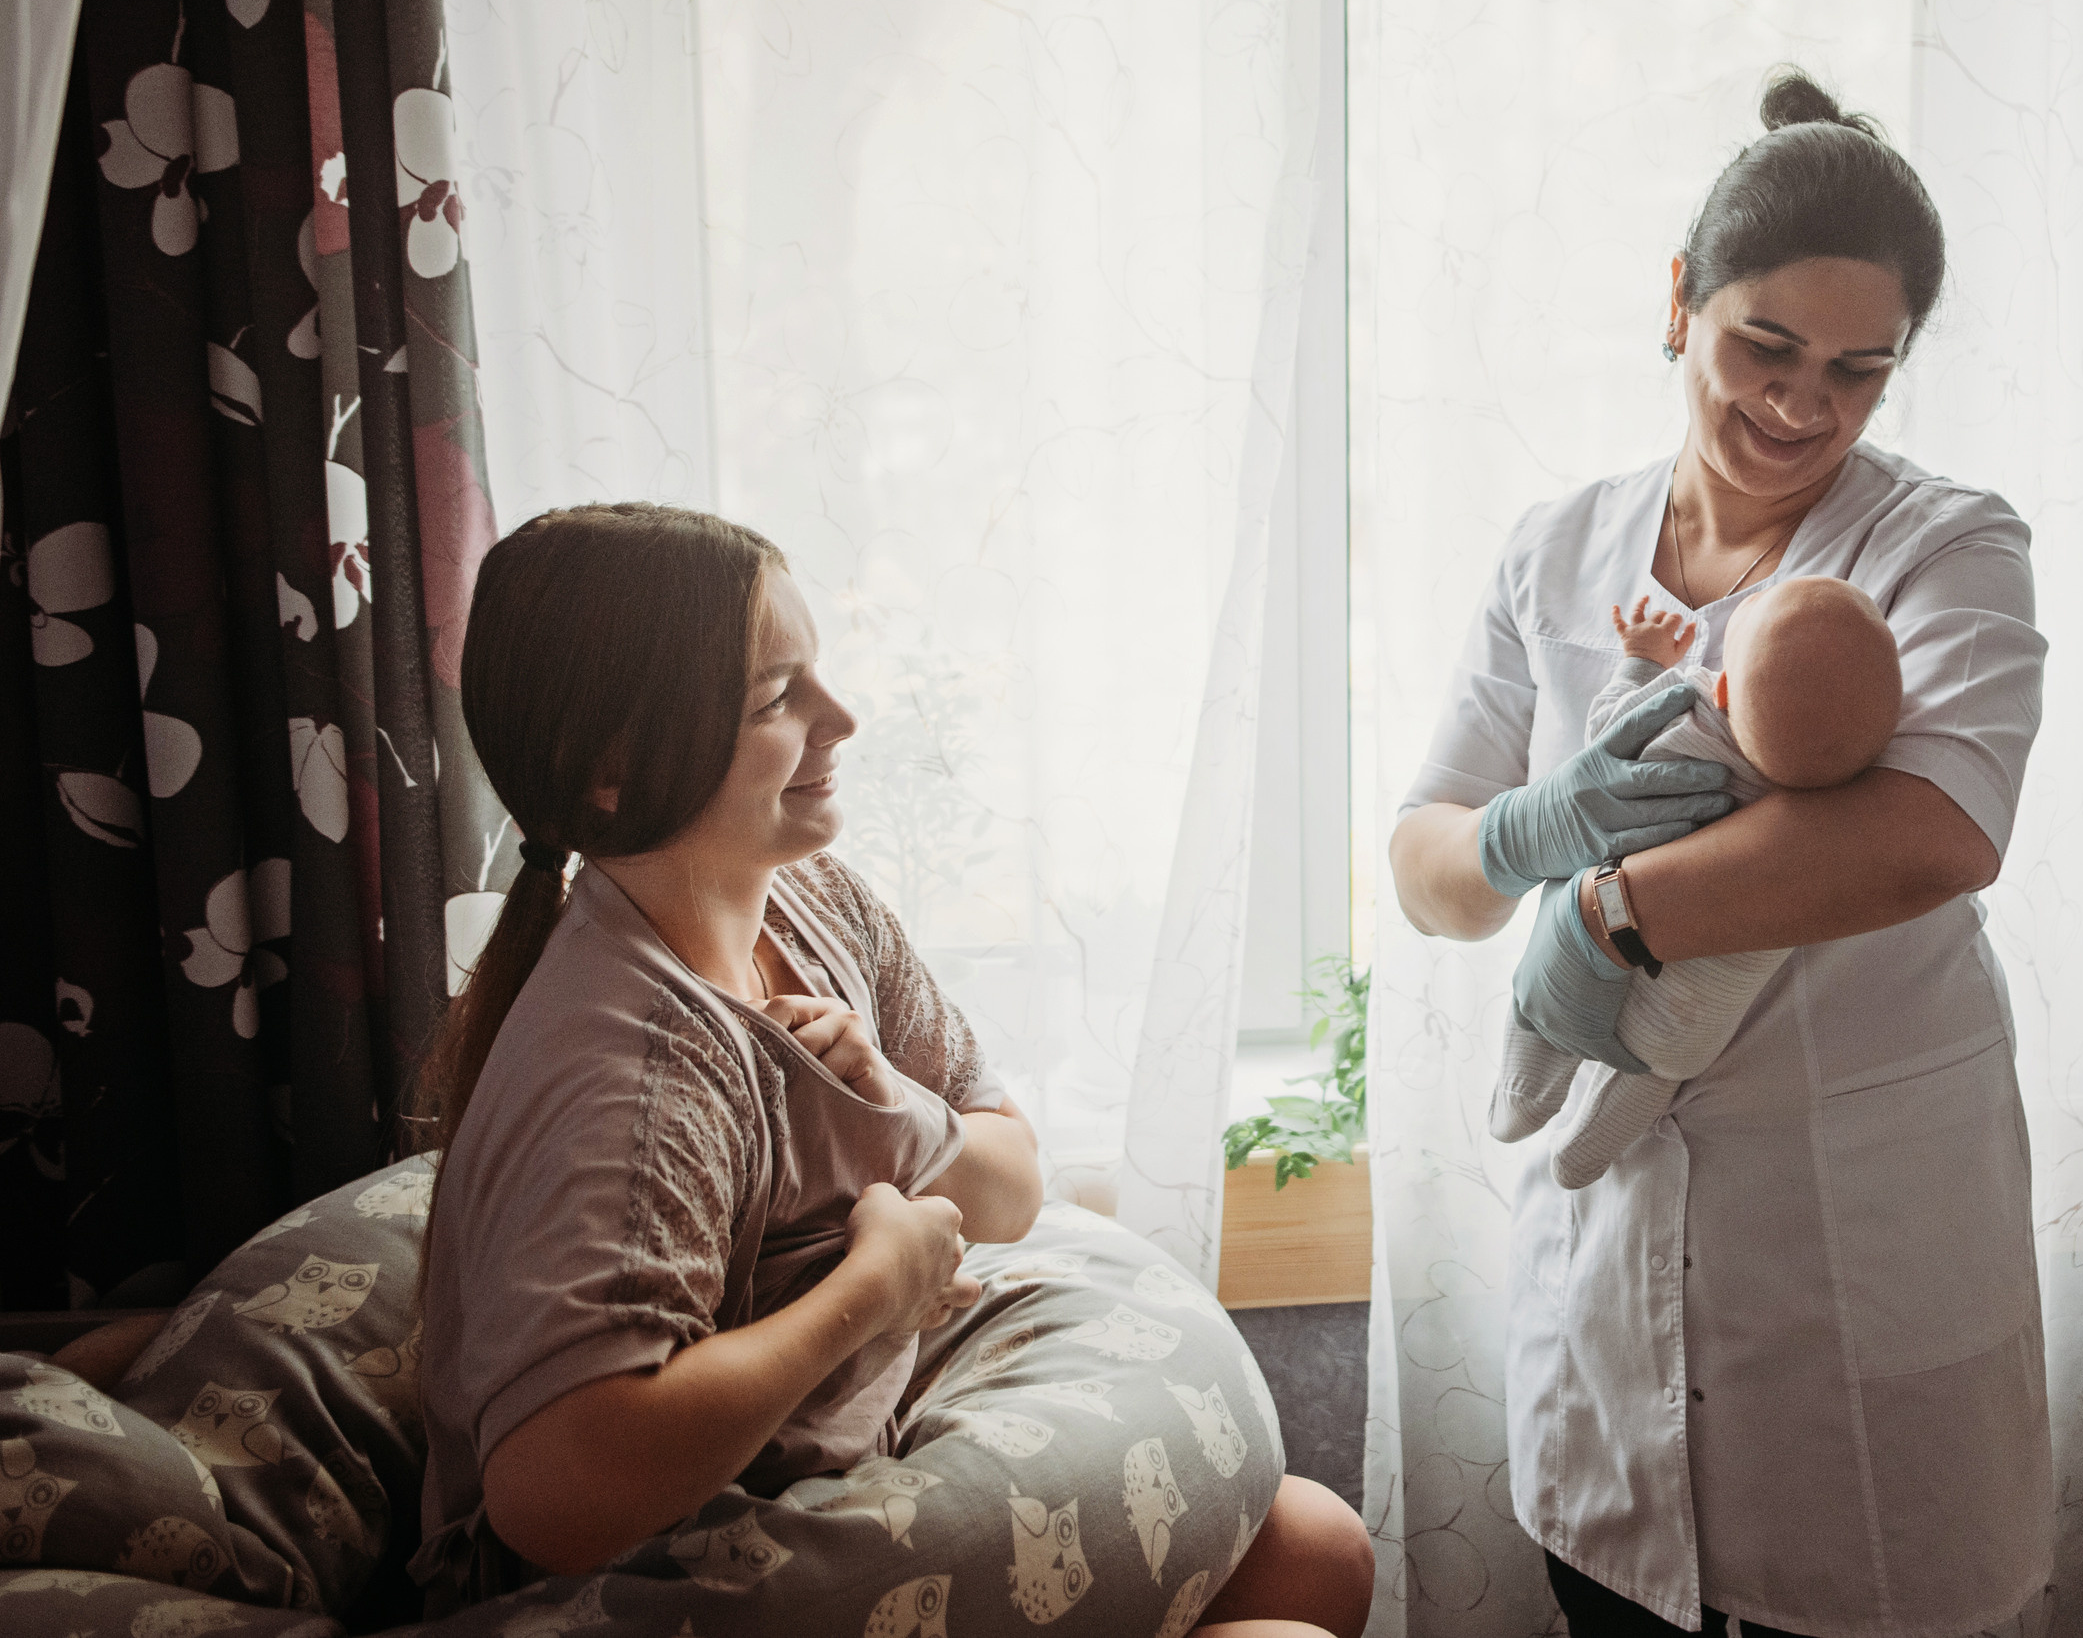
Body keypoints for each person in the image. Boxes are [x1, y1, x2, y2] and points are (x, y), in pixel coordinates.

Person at [411, 503, 1370, 1638]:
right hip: (643, 1576)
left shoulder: (819, 902)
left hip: (836, 1453)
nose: (844, 718)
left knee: (1316, 1546)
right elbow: (558, 1489)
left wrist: (896, 1108)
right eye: (777, 699)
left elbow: (1012, 1183)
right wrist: (877, 1285)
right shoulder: (633, 1072)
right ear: (613, 772)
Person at [1389, 69, 2053, 1638]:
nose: (1803, 403)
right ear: (1680, 299)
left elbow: (1937, 832)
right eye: (1766, 345)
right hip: (1615, 1289)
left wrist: (1610, 914)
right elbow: (1427, 868)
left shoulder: (1943, 544)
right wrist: (1521, 835)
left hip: (1856, 1245)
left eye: (1858, 371)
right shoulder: (1556, 548)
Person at [1491, 578, 1903, 1188]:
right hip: (1712, 989)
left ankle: (1521, 1095)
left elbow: (1607, 729)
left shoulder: (1691, 716)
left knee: (1541, 1008)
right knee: (1652, 1067)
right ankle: (1582, 1155)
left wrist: (1640, 665)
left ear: (1728, 687)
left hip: (1599, 901)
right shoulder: (1829, 796)